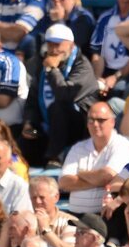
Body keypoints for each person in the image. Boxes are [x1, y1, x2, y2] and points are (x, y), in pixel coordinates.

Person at [21, 24, 98, 166]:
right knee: (25, 140)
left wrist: (52, 70)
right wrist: (29, 122)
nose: (54, 50)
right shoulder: (42, 63)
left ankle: (56, 157)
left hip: (78, 125)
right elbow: (33, 97)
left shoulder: (82, 65)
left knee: (58, 107)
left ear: (71, 45)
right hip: (49, 125)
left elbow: (66, 95)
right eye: (50, 45)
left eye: (58, 45)